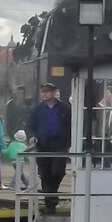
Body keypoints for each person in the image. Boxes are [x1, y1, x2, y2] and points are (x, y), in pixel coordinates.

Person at [24, 82, 71, 214]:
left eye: (47, 91)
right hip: (43, 144)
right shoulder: (36, 110)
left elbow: (72, 125)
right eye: (42, 92)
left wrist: (70, 141)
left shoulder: (65, 109)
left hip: (60, 144)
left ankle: (52, 196)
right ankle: (50, 203)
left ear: (54, 92)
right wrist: (32, 137)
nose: (44, 94)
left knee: (57, 171)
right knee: (44, 174)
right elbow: (29, 126)